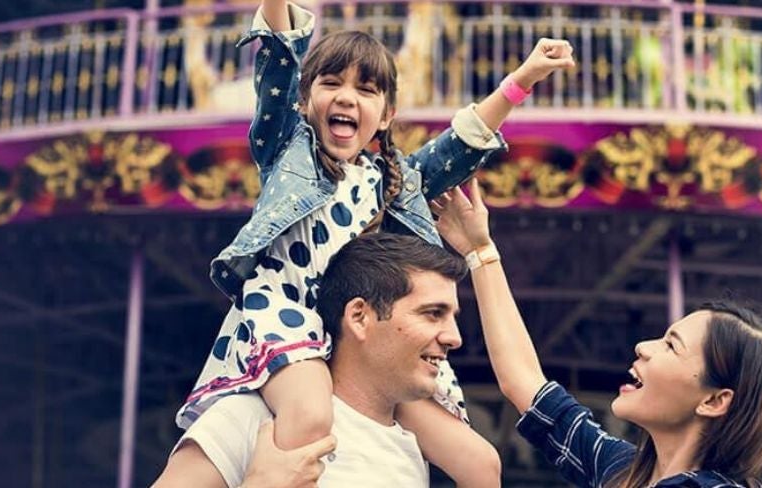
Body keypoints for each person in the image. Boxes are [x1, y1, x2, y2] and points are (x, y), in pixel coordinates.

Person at [170, 0, 574, 484]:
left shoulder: (394, 181)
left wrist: (523, 79)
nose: (347, 98)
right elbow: (279, 56)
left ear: (386, 115)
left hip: (364, 339)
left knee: (480, 461)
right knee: (310, 416)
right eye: (331, 83)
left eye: (366, 89)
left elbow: (462, 143)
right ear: (303, 101)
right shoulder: (289, 150)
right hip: (289, 315)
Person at [431, 178, 762, 488]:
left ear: (714, 401)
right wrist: (480, 251)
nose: (643, 347)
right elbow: (524, 383)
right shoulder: (625, 471)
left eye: (672, 346)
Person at [155, 232, 470, 487]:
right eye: (433, 314)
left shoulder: (410, 451)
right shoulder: (256, 419)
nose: (454, 337)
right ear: (359, 317)